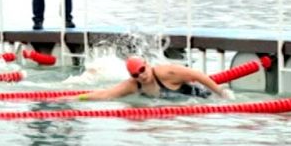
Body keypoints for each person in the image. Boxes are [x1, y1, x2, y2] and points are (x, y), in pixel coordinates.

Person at [77, 56, 235, 101]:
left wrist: (221, 92)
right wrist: (76, 98)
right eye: (135, 75)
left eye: (142, 70)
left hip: (202, 99)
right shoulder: (133, 85)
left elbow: (197, 75)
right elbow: (105, 94)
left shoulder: (167, 73)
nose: (141, 75)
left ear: (147, 64)